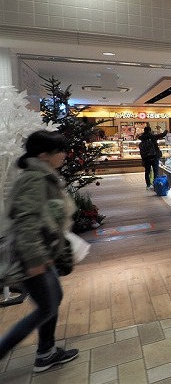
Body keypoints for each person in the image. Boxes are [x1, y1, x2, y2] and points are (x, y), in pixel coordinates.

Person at [1, 131, 79, 372]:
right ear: (44, 155)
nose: (64, 155)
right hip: (33, 257)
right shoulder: (35, 179)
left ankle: (46, 351)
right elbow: (26, 221)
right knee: (47, 306)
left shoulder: (42, 175)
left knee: (52, 301)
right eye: (59, 151)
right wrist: (35, 259)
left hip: (44, 253)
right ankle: (36, 352)